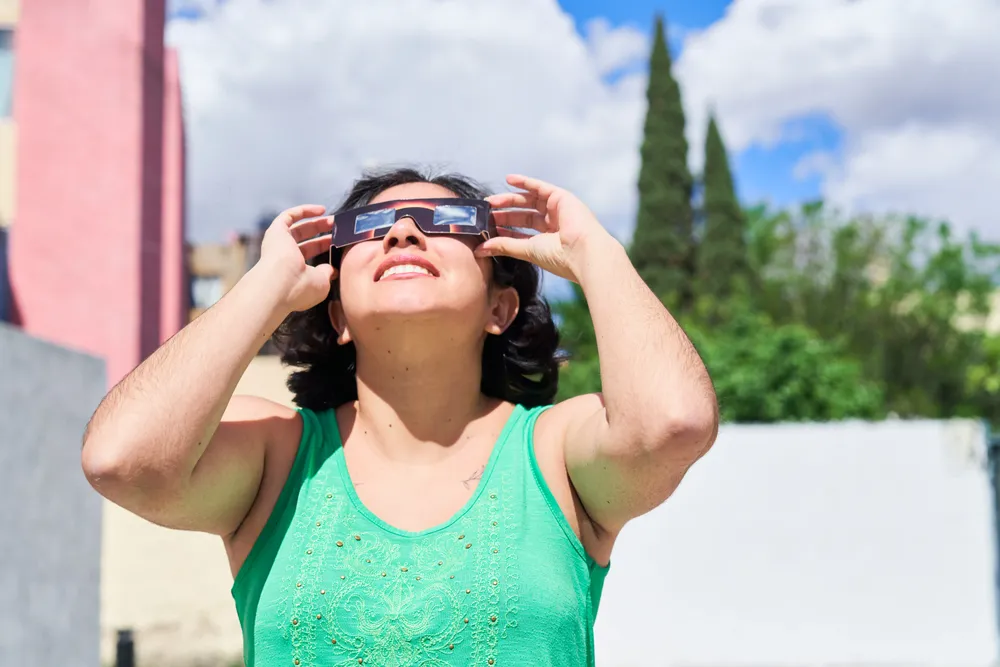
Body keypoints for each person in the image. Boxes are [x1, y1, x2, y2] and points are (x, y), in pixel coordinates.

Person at [82, 167, 718, 667]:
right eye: (369, 227)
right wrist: (263, 286)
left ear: (500, 308)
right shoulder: (276, 456)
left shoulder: (555, 450)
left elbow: (673, 424)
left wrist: (595, 252)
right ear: (336, 318)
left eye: (445, 222)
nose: (403, 233)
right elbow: (122, 460)